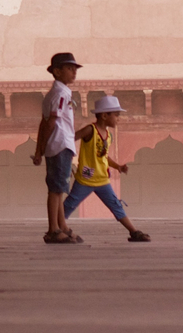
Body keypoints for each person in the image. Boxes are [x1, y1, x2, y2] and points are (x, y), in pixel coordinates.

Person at [65, 94, 152, 242]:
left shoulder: (108, 135)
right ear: (105, 115)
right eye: (116, 115)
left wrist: (118, 166)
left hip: (102, 179)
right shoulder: (90, 130)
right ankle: (58, 228)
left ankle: (134, 232)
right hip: (86, 178)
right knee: (70, 205)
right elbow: (70, 138)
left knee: (115, 205)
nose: (118, 118)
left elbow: (103, 157)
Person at [31, 51, 81, 243]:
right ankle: (53, 229)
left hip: (58, 144)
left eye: (74, 69)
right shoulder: (60, 93)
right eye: (69, 69)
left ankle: (62, 227)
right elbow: (50, 122)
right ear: (57, 72)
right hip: (60, 143)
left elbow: (43, 123)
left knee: (59, 188)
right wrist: (41, 148)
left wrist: (40, 149)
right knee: (56, 190)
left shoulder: (57, 92)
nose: (73, 72)